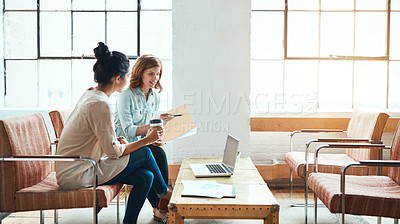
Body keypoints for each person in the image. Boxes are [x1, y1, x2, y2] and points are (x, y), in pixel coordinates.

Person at [55, 42, 169, 224]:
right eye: (126, 75)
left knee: (145, 177)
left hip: (81, 166)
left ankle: (131, 220)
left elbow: (100, 137)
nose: (128, 78)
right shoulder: (101, 104)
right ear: (117, 79)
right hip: (80, 172)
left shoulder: (92, 95)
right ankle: (165, 194)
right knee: (146, 152)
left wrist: (118, 140)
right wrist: (147, 140)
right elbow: (113, 152)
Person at [114, 54, 173, 222]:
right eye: (151, 73)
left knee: (157, 152)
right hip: (126, 145)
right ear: (140, 72)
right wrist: (153, 125)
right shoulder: (126, 96)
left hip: (145, 145)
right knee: (157, 154)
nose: (155, 78)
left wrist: (158, 128)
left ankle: (159, 205)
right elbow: (129, 131)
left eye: (158, 74)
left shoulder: (155, 97)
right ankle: (161, 203)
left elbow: (149, 129)